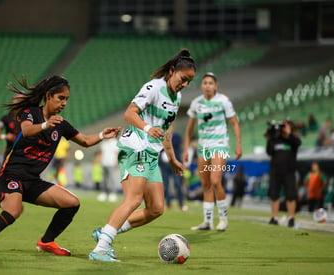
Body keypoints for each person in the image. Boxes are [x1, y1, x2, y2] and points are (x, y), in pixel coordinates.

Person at [0, 75, 120, 256]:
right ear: (48, 96)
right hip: (11, 176)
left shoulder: (61, 124)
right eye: (61, 98)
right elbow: (26, 130)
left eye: (67, 99)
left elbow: (84, 141)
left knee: (72, 203)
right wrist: (45, 124)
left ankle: (46, 242)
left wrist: (101, 135)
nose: (64, 103)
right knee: (13, 211)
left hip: (33, 181)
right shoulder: (30, 113)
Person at [89, 49, 196, 262]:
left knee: (156, 208)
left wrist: (172, 158)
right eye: (183, 79)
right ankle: (101, 248)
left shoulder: (177, 98)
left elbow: (165, 131)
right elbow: (129, 113)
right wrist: (147, 128)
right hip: (135, 148)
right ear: (172, 71)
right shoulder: (154, 87)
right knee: (133, 200)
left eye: (189, 82)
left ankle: (107, 231)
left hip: (152, 153)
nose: (184, 85)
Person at [183, 72, 242, 231]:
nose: (207, 86)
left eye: (210, 83)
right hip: (203, 147)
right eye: (205, 83)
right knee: (206, 184)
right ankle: (207, 221)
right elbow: (189, 129)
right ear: (201, 86)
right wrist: (186, 149)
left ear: (215, 86)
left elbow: (235, 123)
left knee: (215, 181)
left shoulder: (223, 101)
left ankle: (223, 219)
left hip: (220, 144)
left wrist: (238, 144)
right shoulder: (196, 103)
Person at [266, 119, 301, 228]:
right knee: (274, 195)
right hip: (275, 172)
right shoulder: (275, 139)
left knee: (291, 196)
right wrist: (271, 136)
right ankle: (274, 217)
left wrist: (288, 134)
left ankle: (291, 218)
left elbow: (297, 143)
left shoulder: (293, 140)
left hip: (289, 172)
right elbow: (269, 151)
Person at [159, 132, 187, 210]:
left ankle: (181, 204)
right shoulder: (159, 134)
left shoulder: (176, 136)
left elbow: (174, 144)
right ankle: (168, 204)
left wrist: (166, 139)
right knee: (166, 185)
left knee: (178, 184)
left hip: (175, 164)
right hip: (164, 165)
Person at [98, 137, 119, 202]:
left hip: (111, 163)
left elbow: (117, 153)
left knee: (112, 179)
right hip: (104, 163)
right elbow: (101, 153)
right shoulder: (103, 142)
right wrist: (99, 161)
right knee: (104, 179)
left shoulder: (114, 142)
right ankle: (104, 193)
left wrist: (116, 162)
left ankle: (113, 194)